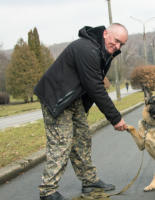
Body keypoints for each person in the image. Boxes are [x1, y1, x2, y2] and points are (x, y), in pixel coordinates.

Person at [34, 23, 128, 200]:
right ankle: (47, 191)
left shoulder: (102, 51)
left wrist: (82, 110)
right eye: (116, 41)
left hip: (72, 99)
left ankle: (89, 180)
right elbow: (95, 87)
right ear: (106, 33)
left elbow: (88, 83)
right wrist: (115, 118)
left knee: (82, 138)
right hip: (56, 97)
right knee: (61, 143)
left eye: (121, 44)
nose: (117, 46)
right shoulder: (88, 49)